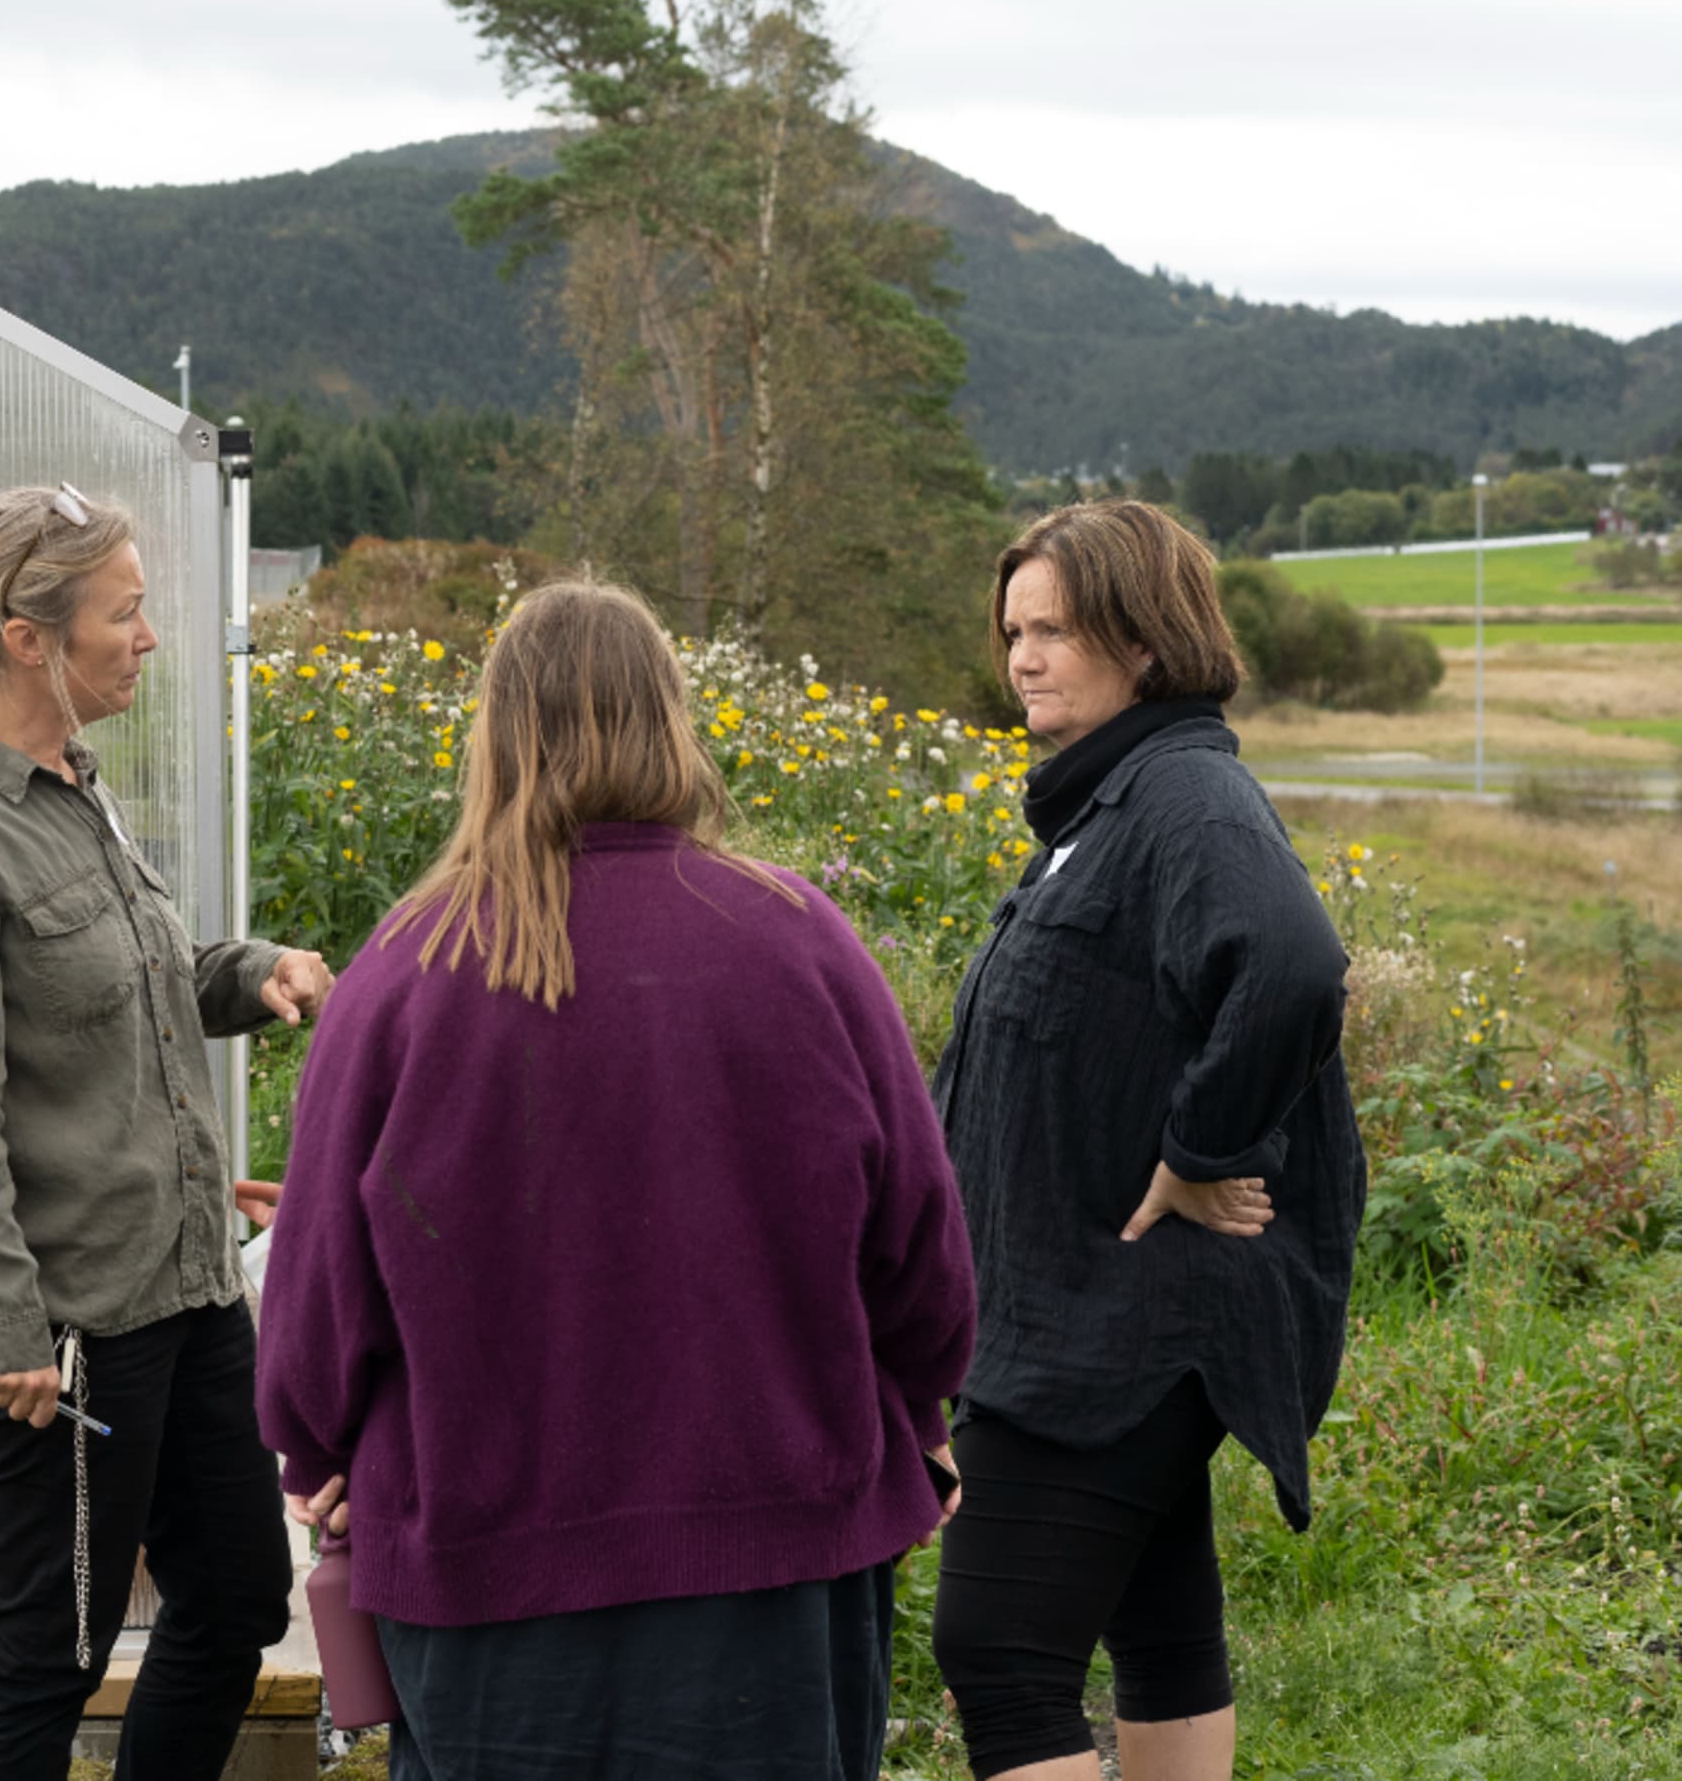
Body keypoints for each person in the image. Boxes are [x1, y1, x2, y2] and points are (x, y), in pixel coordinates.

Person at [253, 578, 974, 1781]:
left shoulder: (405, 971)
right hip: (781, 1564)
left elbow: (318, 1295)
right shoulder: (801, 940)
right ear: (673, 721)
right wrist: (922, 1413)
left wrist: (315, 1452)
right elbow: (924, 1259)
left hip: (487, 1578)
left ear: (497, 733)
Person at [0, 482, 337, 1781]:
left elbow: (135, 975)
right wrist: (9, 1331)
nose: (149, 636)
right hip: (64, 1330)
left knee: (236, 1595)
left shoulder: (75, 784)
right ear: (30, 638)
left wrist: (248, 971)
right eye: (125, 612)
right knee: (51, 1648)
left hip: (182, 1286)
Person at [926, 500, 1363, 1781]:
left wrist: (1201, 1149)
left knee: (998, 1648)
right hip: (1092, 1313)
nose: (1023, 657)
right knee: (1157, 1614)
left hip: (1112, 1326)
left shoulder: (1185, 795)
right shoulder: (1113, 802)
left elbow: (1291, 966)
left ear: (1146, 637)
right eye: (1015, 629)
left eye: (1056, 628)